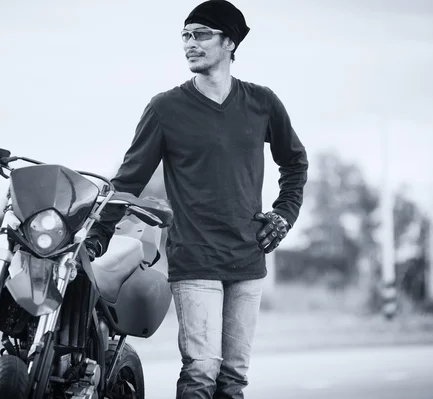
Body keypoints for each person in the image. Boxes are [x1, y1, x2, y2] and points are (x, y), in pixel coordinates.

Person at [86, 1, 308, 397]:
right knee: (202, 370)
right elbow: (129, 179)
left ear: (229, 43)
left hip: (248, 257)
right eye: (185, 36)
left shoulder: (262, 103)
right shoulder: (165, 108)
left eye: (201, 34)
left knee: (234, 377)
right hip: (195, 258)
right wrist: (97, 232)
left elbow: (295, 162)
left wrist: (284, 214)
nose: (190, 43)